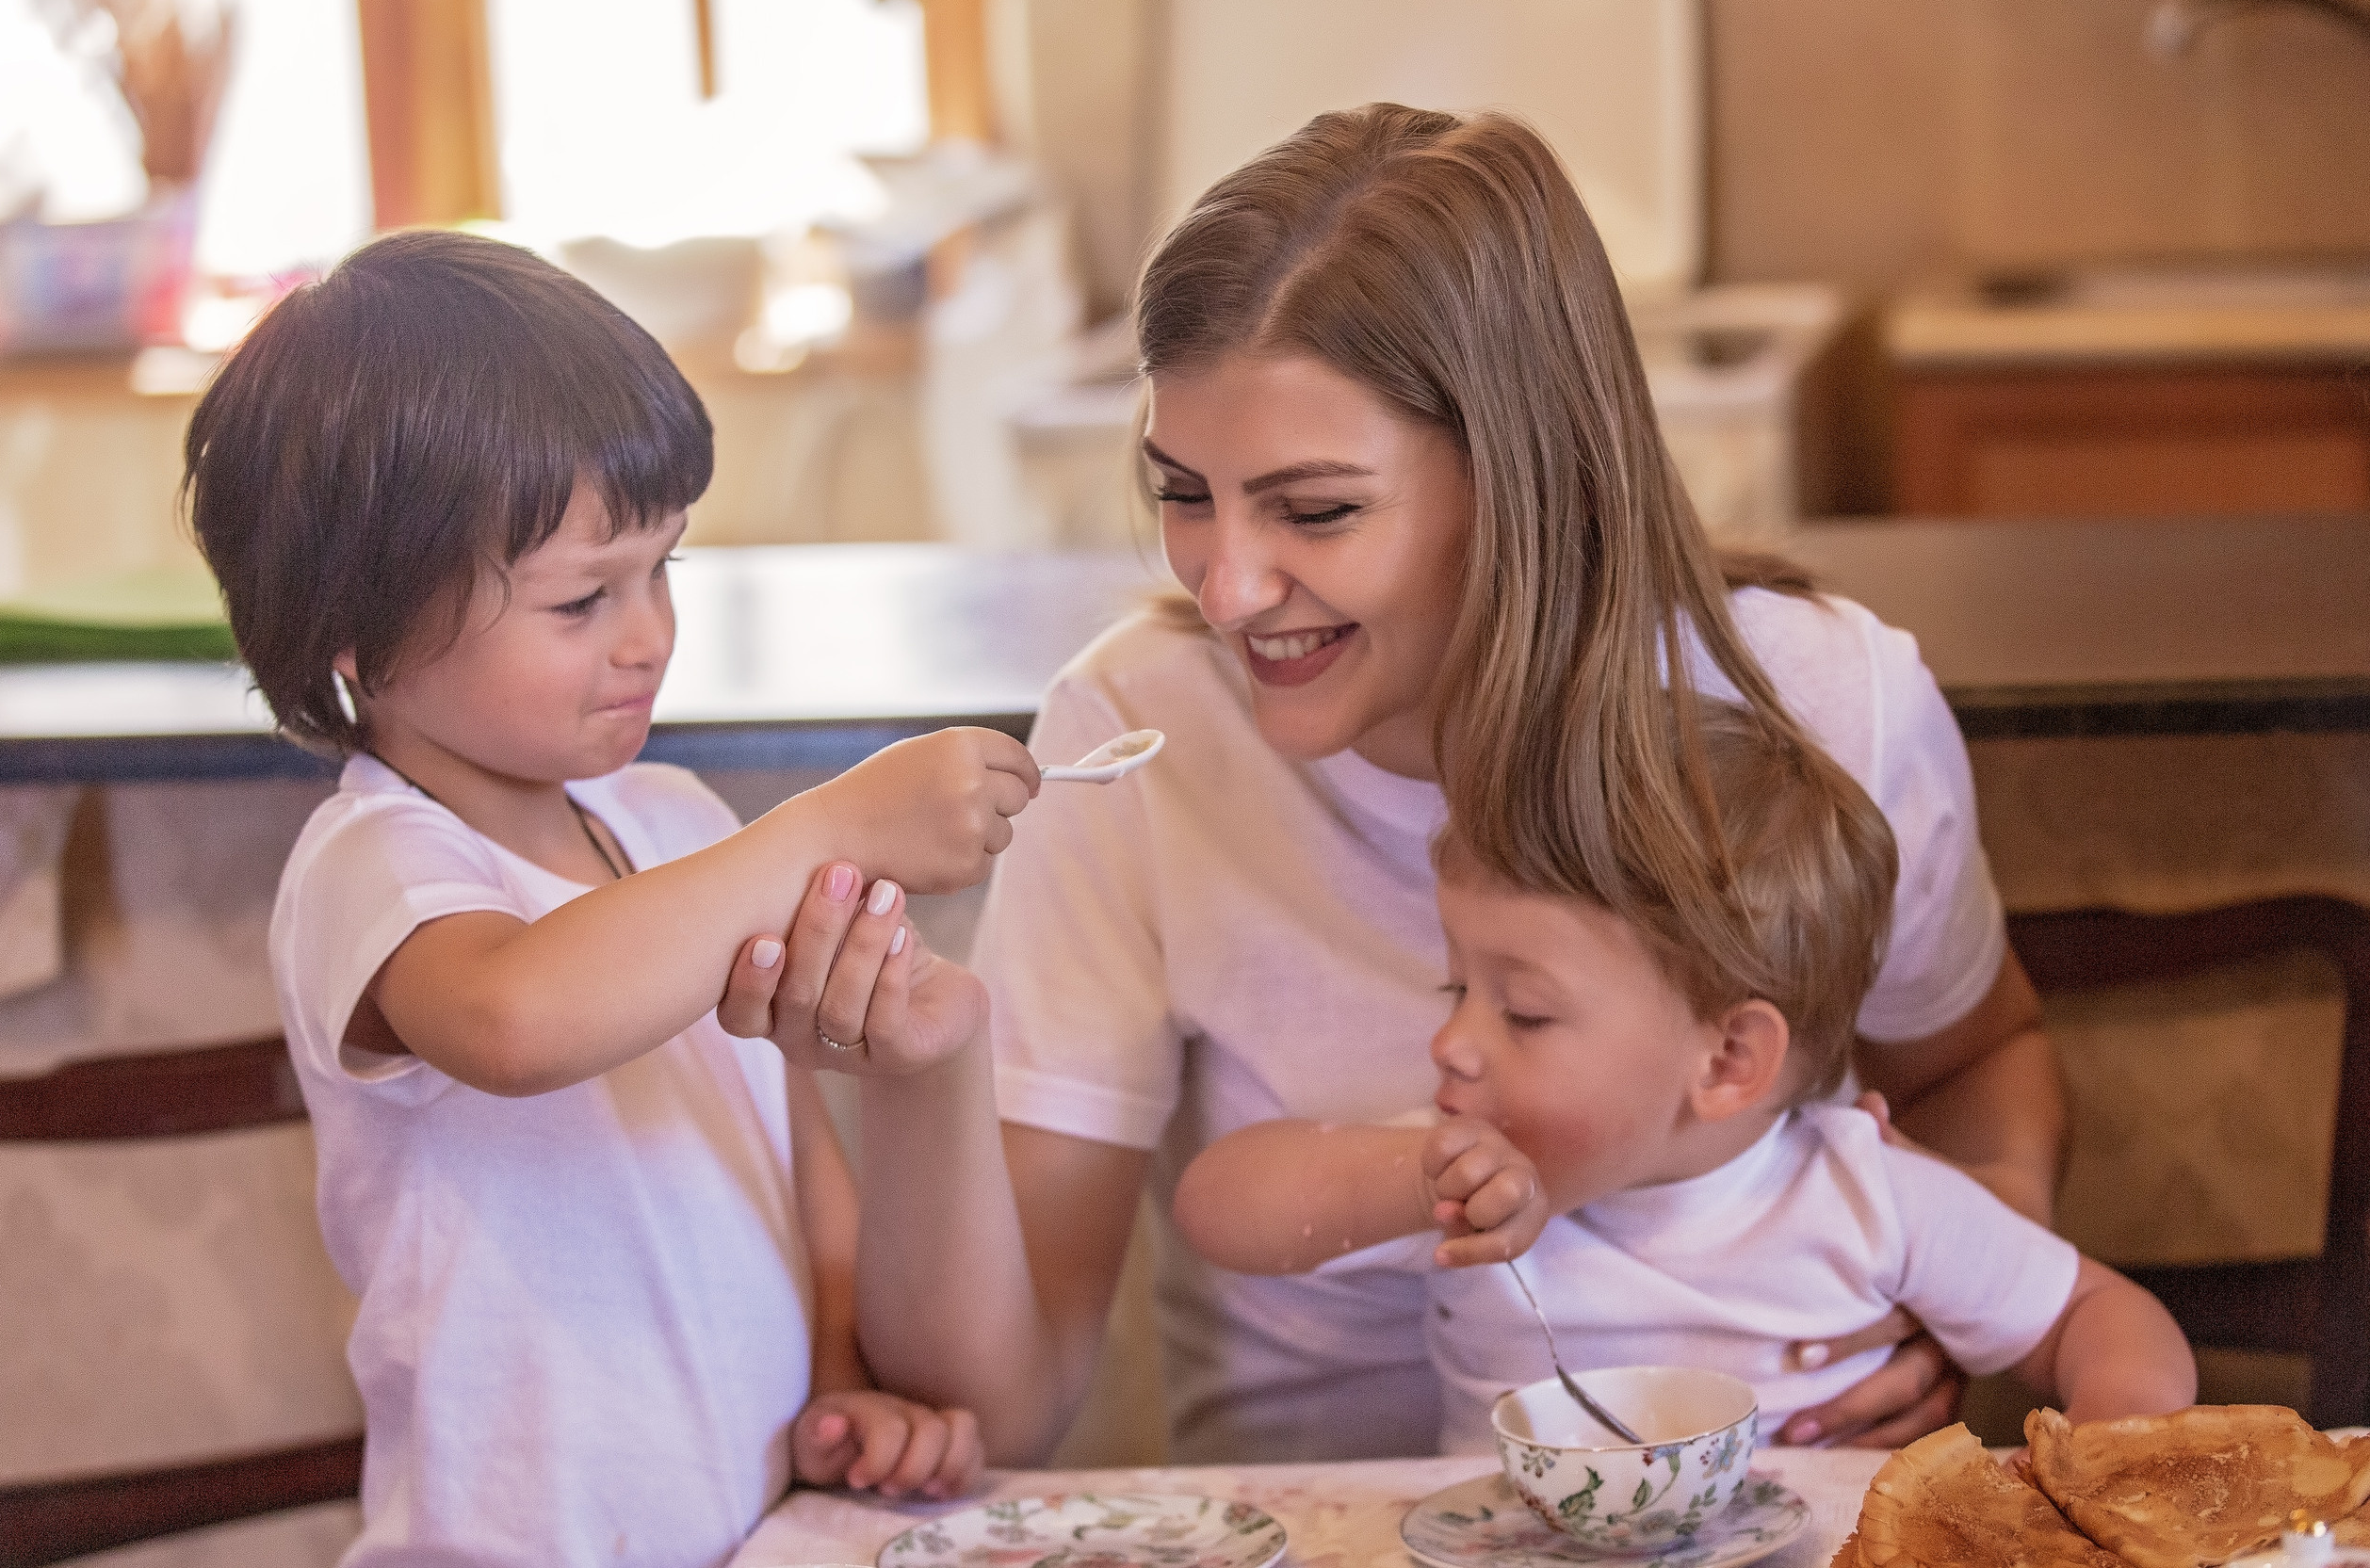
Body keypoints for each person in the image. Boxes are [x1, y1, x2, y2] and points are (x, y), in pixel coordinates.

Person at [733, 104, 2069, 1466]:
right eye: (1183, 492)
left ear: (1521, 478)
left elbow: (1974, 1061)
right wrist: (923, 1075)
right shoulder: (1138, 728)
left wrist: (1975, 1285)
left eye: (1315, 510)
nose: (1227, 587)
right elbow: (1005, 1406)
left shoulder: (1815, 696)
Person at [186, 231, 1036, 1567]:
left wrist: (841, 1386)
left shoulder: (676, 825)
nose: (649, 636)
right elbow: (518, 1016)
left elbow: (799, 1167)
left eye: (662, 569)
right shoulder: (376, 862)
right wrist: (828, 825)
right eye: (583, 598)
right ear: (354, 627)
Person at [1171, 702, 2196, 1449]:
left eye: (1523, 1011)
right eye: (1457, 990)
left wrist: (2116, 1445)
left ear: (1728, 1061)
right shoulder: (1465, 1184)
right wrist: (1407, 1180)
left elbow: (2095, 1315)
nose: (1452, 1044)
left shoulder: (1865, 1193)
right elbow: (1217, 1208)